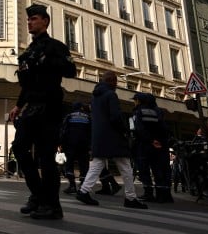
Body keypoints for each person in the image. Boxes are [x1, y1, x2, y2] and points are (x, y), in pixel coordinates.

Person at [9, 4, 76, 220]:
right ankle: (38, 195)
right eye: (28, 19)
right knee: (19, 148)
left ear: (45, 21)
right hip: (32, 106)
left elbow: (71, 70)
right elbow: (26, 85)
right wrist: (18, 105)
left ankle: (53, 206)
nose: (30, 22)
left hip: (50, 106)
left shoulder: (56, 46)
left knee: (46, 157)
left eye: (34, 19)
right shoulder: (28, 51)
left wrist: (48, 62)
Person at [75, 71, 147, 209]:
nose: (116, 84)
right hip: (113, 136)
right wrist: (124, 130)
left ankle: (84, 191)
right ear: (112, 81)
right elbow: (115, 117)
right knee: (125, 166)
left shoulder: (95, 96)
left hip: (99, 136)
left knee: (97, 164)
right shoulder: (111, 95)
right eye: (115, 81)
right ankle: (131, 197)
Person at [132, 92, 173, 203]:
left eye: (135, 100)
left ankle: (148, 193)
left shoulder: (138, 111)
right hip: (159, 145)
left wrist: (150, 140)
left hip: (144, 145)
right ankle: (163, 195)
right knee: (159, 170)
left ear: (139, 101)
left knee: (144, 170)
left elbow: (139, 129)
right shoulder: (158, 111)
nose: (134, 102)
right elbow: (163, 127)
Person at [60, 101, 91, 194]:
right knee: (84, 165)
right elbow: (91, 131)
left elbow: (63, 130)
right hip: (84, 144)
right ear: (81, 107)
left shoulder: (69, 116)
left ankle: (72, 185)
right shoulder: (88, 116)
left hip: (71, 144)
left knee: (69, 164)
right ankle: (82, 186)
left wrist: (61, 143)